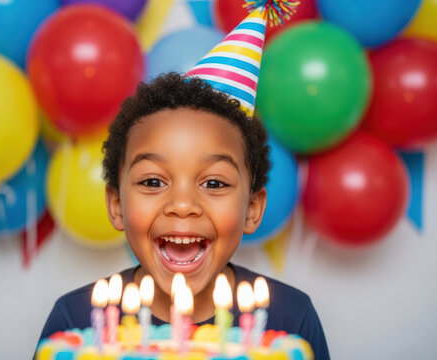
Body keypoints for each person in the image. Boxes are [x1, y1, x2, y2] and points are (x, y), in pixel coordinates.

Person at [38, 73, 330, 359]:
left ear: (252, 209)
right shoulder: (74, 324)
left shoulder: (291, 320)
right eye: (153, 181)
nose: (182, 204)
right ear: (116, 205)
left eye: (214, 183)